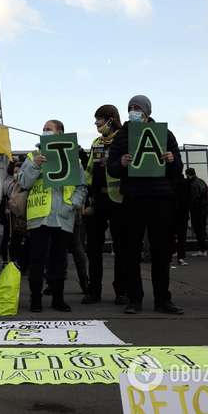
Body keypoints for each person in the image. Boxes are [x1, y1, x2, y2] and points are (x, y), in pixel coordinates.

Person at [107, 95, 184, 315]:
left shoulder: (165, 134)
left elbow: (177, 167)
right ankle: (135, 299)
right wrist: (120, 163)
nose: (133, 111)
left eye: (137, 108)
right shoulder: (122, 136)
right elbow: (112, 168)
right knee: (131, 251)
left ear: (147, 111)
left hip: (161, 199)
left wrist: (171, 159)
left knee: (161, 251)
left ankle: (163, 300)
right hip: (133, 199)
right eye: (130, 108)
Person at [18, 119, 87, 313]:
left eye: (48, 129)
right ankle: (35, 299)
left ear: (60, 133)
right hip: (39, 215)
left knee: (59, 260)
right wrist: (35, 166)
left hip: (63, 216)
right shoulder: (33, 156)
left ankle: (58, 298)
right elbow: (23, 182)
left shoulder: (72, 157)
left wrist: (71, 204)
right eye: (43, 129)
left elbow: (82, 186)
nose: (44, 132)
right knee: (37, 259)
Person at [83, 104, 129, 305]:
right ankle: (94, 290)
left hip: (119, 200)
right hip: (98, 200)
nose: (96, 124)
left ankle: (121, 290)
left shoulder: (124, 140)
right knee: (93, 248)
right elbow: (89, 172)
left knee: (121, 247)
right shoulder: (96, 142)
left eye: (98, 120)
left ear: (110, 119)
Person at [186, 168, 208, 257]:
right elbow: (207, 194)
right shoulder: (201, 181)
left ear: (188, 174)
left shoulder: (192, 184)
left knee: (198, 229)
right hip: (204, 209)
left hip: (197, 210)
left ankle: (202, 249)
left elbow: (193, 198)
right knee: (202, 229)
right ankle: (204, 249)